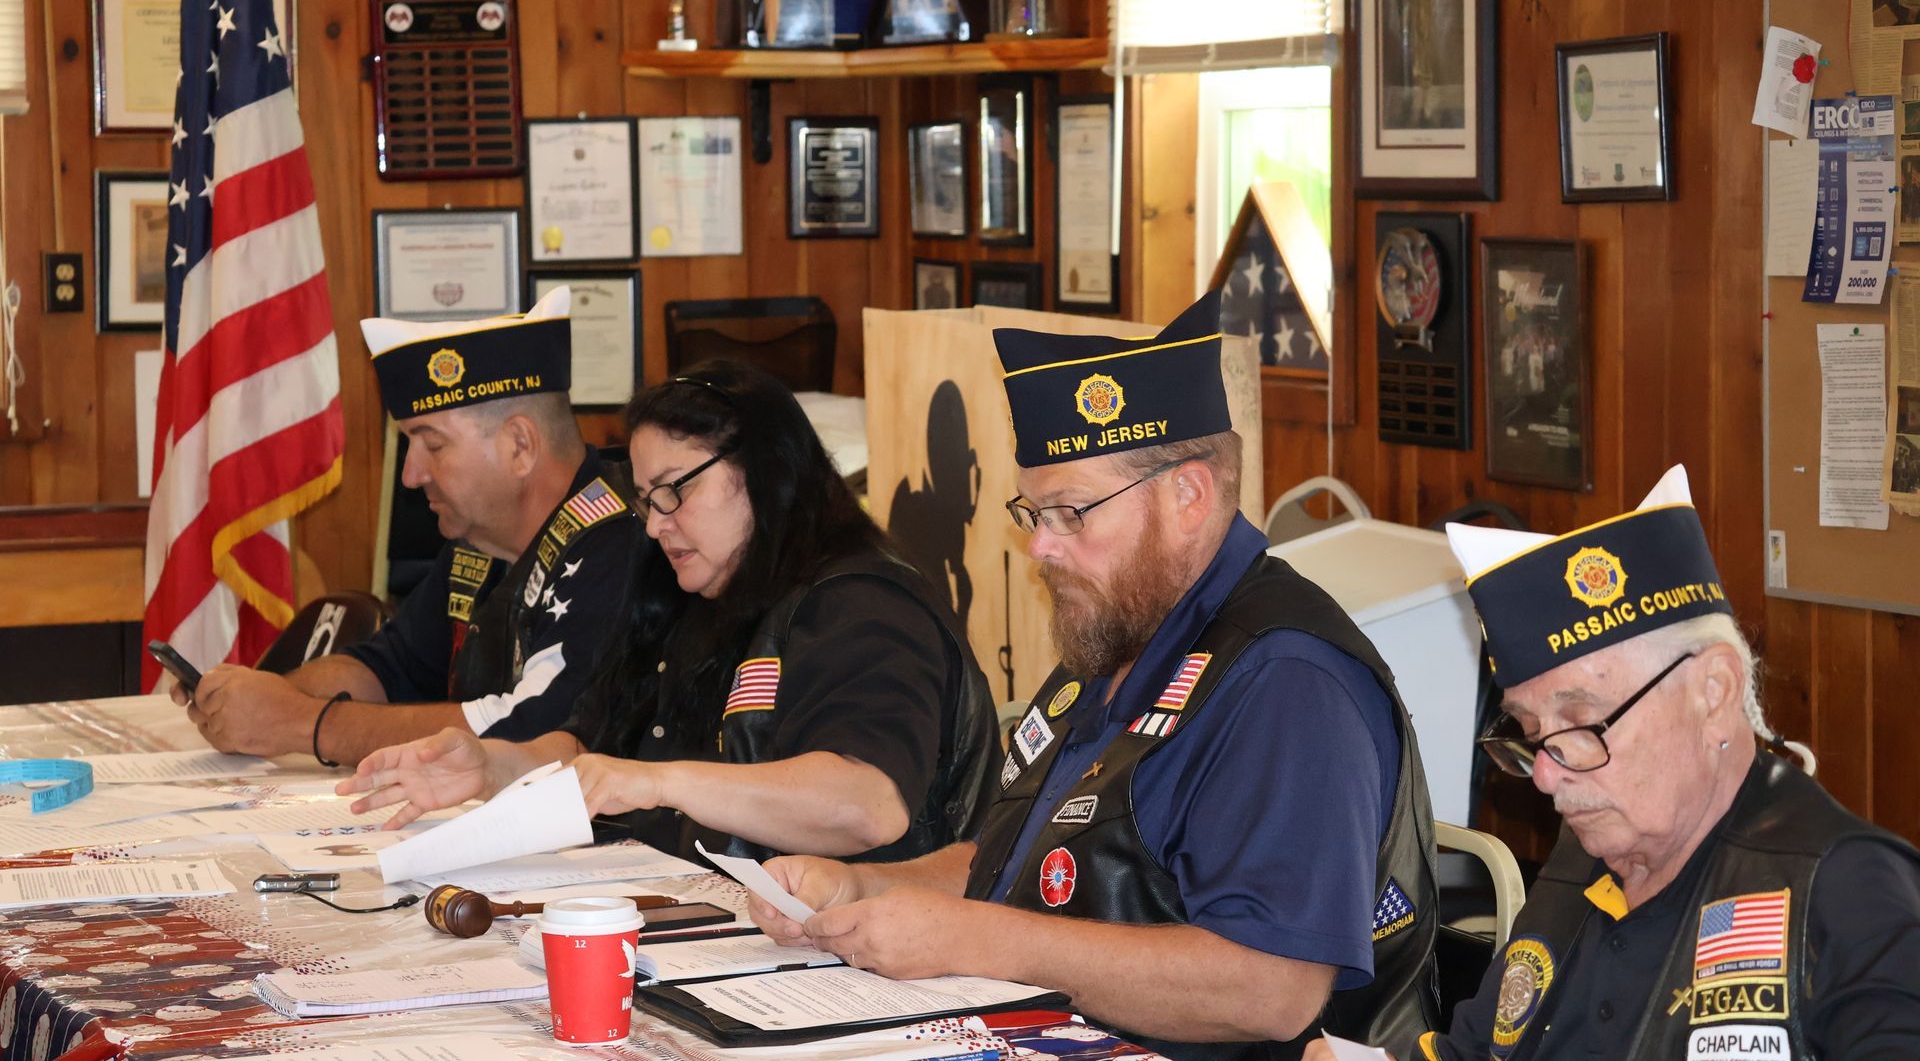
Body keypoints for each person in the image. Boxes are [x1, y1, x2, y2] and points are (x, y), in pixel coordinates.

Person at [749, 292, 1441, 1060]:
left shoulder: (1287, 681)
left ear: (1189, 496)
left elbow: (1273, 990)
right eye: (1034, 513)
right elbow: (1017, 864)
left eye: (1072, 513)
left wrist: (979, 941)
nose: (1041, 549)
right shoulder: (1115, 638)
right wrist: (867, 891)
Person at [1303, 466, 1920, 1061]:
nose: (1546, 773)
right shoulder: (1588, 859)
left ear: (1714, 692)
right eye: (1530, 731)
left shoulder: (1844, 887)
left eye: (1581, 721)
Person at [340, 361, 1001, 863]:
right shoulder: (693, 589)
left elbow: (868, 805)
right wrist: (494, 767)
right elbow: (592, 748)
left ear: (767, 472)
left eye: (675, 491)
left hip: (869, 964)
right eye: (645, 498)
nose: (655, 527)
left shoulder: (863, 607)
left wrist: (661, 783)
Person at [168, 288, 646, 769]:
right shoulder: (478, 545)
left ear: (519, 445)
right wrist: (256, 700)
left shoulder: (617, 541)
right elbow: (390, 667)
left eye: (432, 445)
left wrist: (299, 724)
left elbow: (531, 732)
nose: (410, 475)